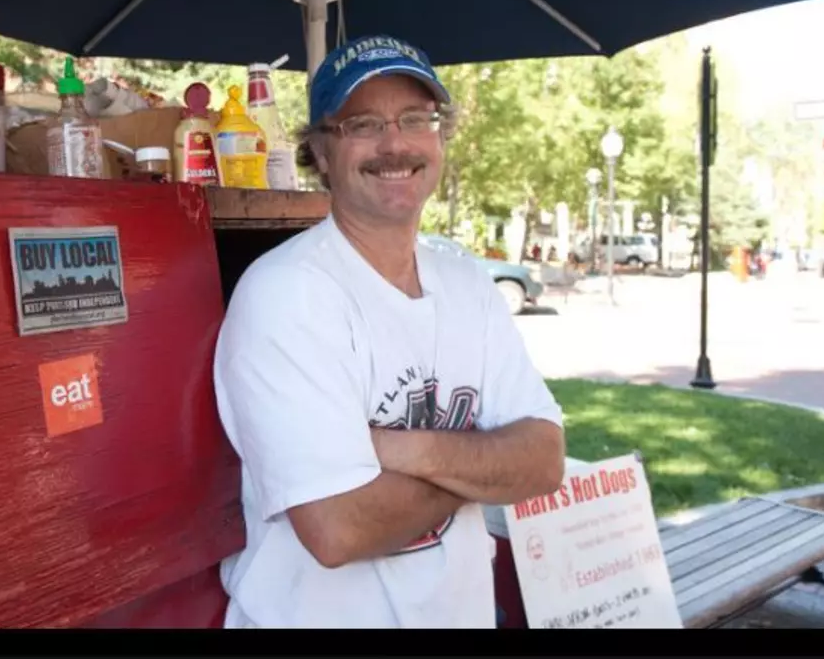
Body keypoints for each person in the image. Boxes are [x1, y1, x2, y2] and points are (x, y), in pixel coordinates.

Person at [212, 34, 565, 629]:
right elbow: (338, 527)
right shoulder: (287, 294)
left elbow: (544, 463)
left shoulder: (467, 283)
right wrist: (482, 468)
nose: (395, 143)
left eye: (415, 119)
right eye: (363, 125)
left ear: (439, 136)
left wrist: (399, 447)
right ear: (321, 151)